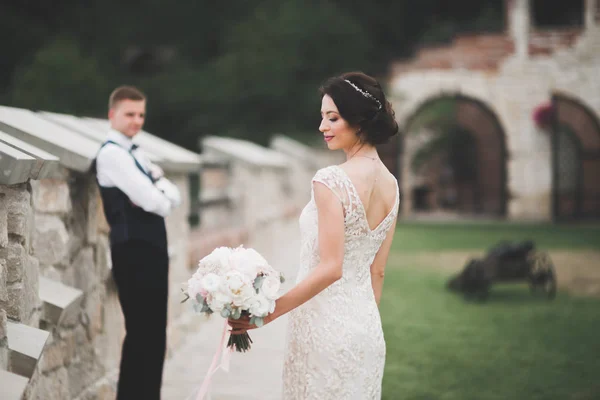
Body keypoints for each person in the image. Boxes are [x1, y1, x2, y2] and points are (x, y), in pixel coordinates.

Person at [229, 72, 400, 399]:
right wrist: (359, 323)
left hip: (324, 332)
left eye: (332, 118)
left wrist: (269, 312)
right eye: (322, 117)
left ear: (360, 120)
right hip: (366, 329)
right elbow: (377, 271)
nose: (322, 127)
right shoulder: (392, 185)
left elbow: (331, 266)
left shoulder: (331, 180)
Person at [94, 86, 181, 400]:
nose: (136, 121)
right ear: (112, 114)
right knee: (142, 333)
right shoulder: (113, 155)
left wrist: (158, 191)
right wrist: (156, 190)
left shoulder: (136, 152)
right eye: (129, 114)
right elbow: (155, 202)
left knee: (154, 333)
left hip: (151, 251)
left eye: (141, 114)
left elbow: (174, 196)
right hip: (132, 252)